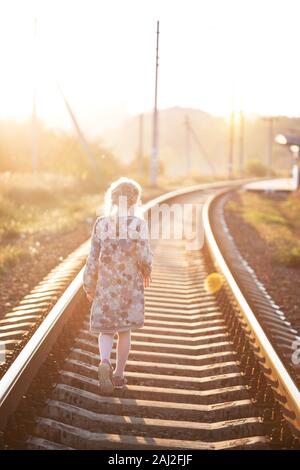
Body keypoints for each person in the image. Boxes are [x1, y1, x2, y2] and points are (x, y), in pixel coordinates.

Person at [83, 177, 153, 393]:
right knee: (124, 331)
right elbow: (143, 255)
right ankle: (119, 375)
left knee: (106, 330)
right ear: (135, 201)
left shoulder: (101, 223)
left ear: (112, 200)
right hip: (129, 286)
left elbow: (93, 257)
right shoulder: (138, 225)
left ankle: (104, 361)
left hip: (105, 285)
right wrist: (147, 271)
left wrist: (89, 284)